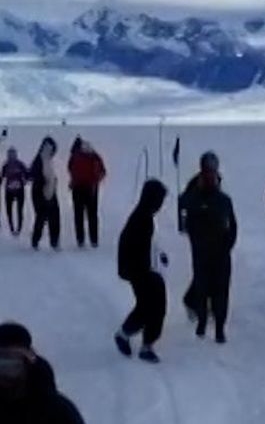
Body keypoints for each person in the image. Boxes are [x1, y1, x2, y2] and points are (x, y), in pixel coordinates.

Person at [180, 151, 238, 343]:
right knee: (202, 287)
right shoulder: (193, 193)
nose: (210, 175)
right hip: (201, 251)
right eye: (207, 170)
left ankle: (219, 328)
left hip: (220, 251)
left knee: (221, 290)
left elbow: (232, 224)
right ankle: (202, 323)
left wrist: (228, 244)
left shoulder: (224, 199)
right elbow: (183, 209)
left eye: (213, 170)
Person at [115, 179, 169, 364]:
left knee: (152, 304)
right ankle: (132, 337)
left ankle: (140, 340)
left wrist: (158, 257)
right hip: (138, 270)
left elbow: (149, 245)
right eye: (160, 200)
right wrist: (142, 269)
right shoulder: (141, 219)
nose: (161, 205)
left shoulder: (145, 216)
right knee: (150, 305)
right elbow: (132, 246)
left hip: (142, 269)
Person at [67, 138, 107, 248]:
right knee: (92, 214)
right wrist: (96, 180)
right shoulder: (94, 156)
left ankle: (81, 240)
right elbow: (103, 172)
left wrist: (73, 180)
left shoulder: (75, 156)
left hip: (78, 188)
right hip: (91, 188)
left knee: (79, 215)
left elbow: (70, 168)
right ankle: (94, 240)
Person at [30, 137, 61, 251]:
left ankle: (54, 241)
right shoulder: (40, 160)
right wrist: (45, 184)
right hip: (40, 192)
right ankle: (36, 241)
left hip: (50, 191)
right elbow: (35, 176)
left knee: (54, 217)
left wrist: (53, 181)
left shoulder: (47, 160)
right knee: (41, 217)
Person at [1, 147, 28, 236]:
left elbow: (27, 174)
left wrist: (25, 180)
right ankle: (12, 228)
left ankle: (19, 228)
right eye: (10, 154)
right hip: (9, 190)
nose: (11, 156)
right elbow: (2, 176)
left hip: (19, 190)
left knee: (19, 210)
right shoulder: (5, 165)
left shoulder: (20, 164)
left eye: (13, 154)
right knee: (9, 210)